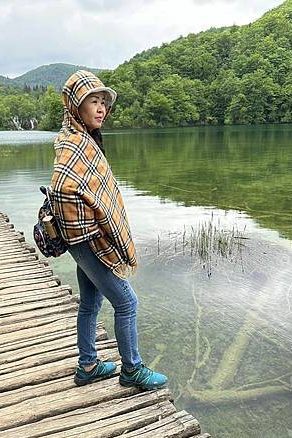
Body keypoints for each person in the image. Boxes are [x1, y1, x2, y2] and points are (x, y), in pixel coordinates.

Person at [50, 70, 168, 391]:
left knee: (90, 303)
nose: (101, 108)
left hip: (81, 240)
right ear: (77, 106)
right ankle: (132, 369)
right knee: (127, 302)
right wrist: (91, 229)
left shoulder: (81, 139)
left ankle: (88, 364)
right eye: (93, 101)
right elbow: (62, 190)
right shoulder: (76, 143)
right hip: (86, 240)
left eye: (103, 102)